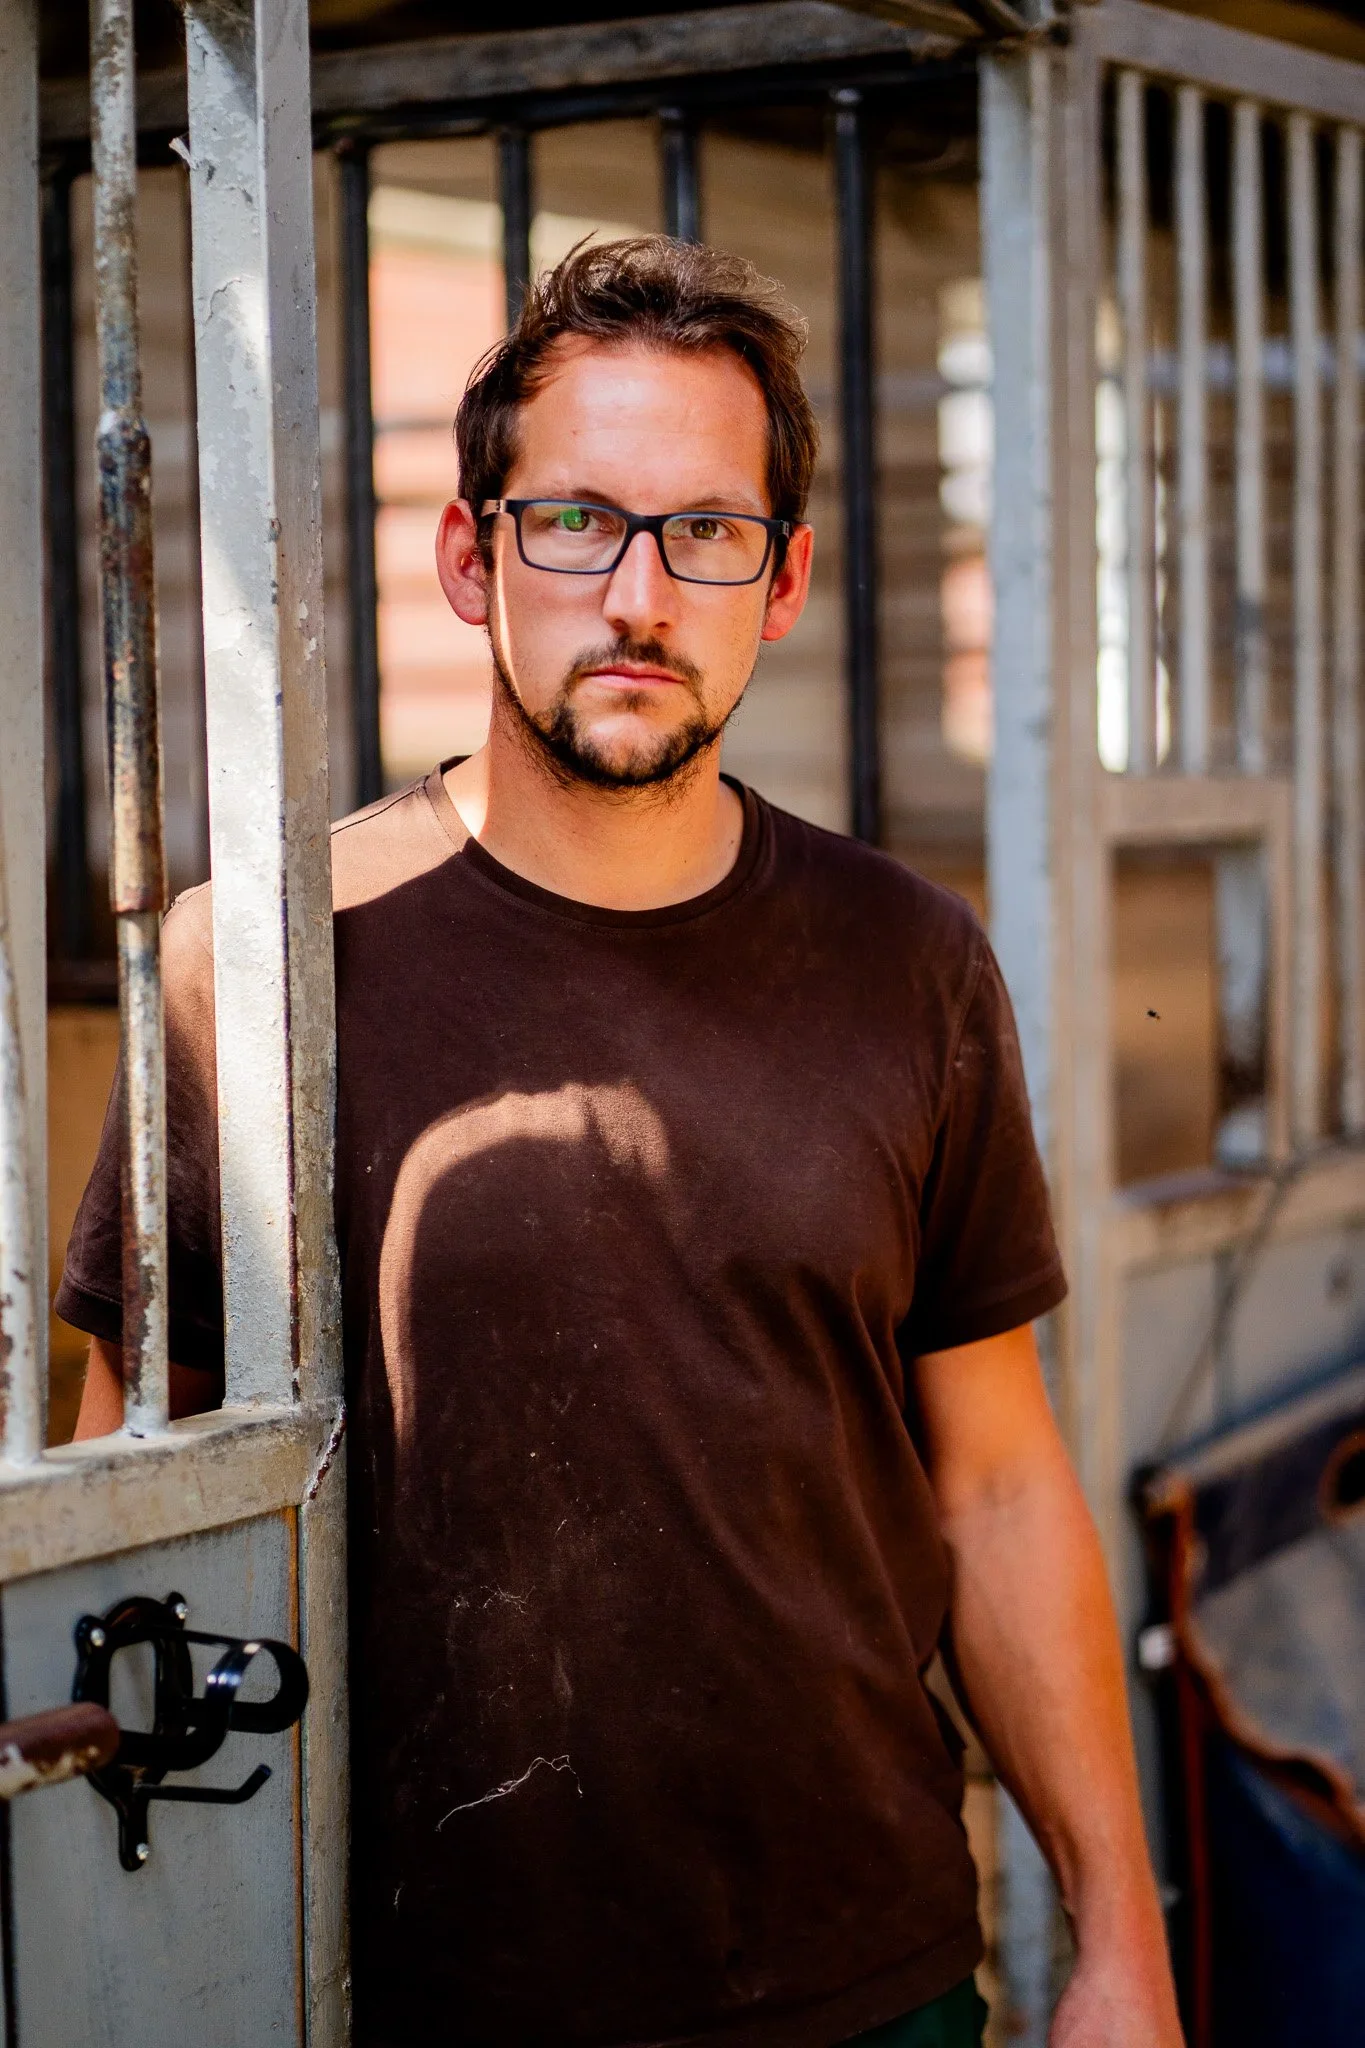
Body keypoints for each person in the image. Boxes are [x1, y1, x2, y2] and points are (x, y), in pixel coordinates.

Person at [62, 237, 1182, 2048]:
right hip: (405, 1996)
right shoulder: (258, 970)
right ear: (471, 556)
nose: (641, 595)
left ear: (784, 580)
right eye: (578, 521)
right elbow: (132, 1490)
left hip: (866, 1980)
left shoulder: (910, 962)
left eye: (708, 532)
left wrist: (1120, 1940)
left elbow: (993, 1478)